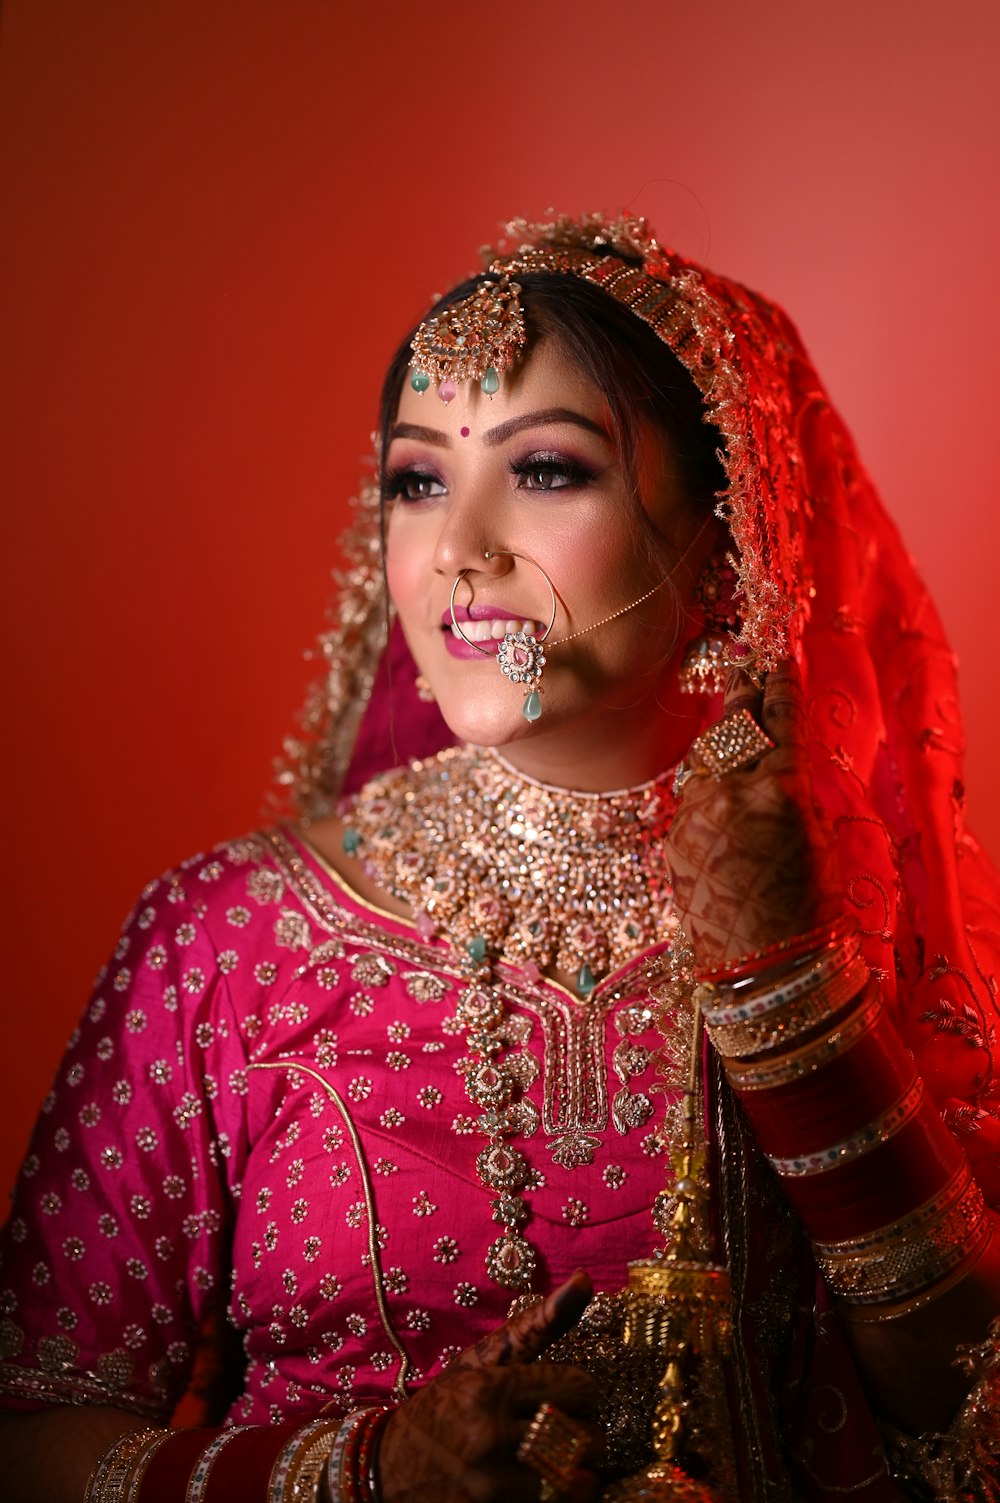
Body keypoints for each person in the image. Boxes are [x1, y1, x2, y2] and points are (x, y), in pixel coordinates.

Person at [0, 211, 998, 1503]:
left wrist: (788, 997)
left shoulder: (844, 907)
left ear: (727, 541)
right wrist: (354, 1475)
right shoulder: (223, 940)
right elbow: (29, 1436)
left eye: (545, 470)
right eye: (418, 482)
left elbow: (971, 1429)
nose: (459, 554)